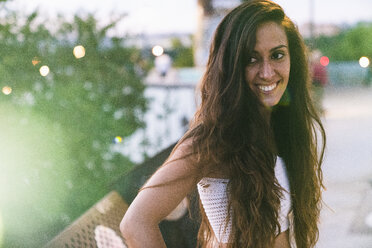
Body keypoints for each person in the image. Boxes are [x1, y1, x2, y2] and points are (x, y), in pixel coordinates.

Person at [120, 1, 326, 247]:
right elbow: (135, 222)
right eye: (251, 59)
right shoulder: (212, 139)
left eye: (277, 55)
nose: (267, 72)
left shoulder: (276, 126)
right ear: (231, 65)